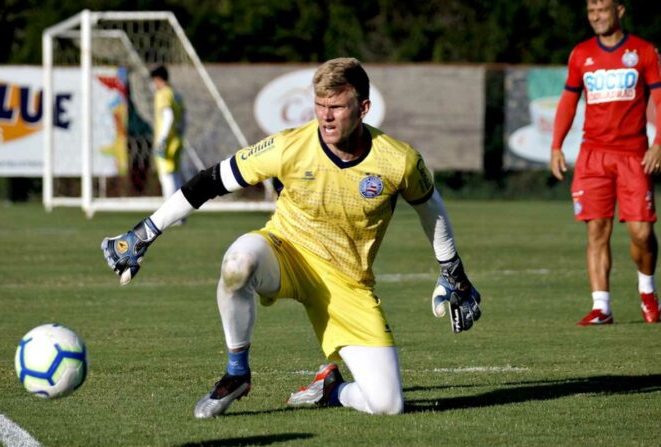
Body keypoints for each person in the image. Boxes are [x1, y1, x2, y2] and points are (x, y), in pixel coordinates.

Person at [101, 58, 481, 417]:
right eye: (319, 105)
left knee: (388, 405)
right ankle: (236, 374)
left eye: (337, 106)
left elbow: (432, 209)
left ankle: (331, 389)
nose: (326, 116)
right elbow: (212, 181)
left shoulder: (398, 160)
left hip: (348, 283)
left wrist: (452, 271)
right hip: (286, 252)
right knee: (238, 264)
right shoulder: (289, 145)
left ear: (363, 108)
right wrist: (146, 231)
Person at [550, 0, 661, 325]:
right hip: (593, 155)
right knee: (596, 230)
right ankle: (602, 307)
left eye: (602, 9)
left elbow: (659, 97)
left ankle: (647, 291)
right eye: (591, 11)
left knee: (642, 232)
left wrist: (659, 143)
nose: (596, 16)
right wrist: (556, 145)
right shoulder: (580, 54)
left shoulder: (644, 51)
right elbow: (569, 100)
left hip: (633, 154)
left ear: (621, 10)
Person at [151, 65, 187, 199]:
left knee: (166, 176)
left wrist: (162, 139)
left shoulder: (163, 94)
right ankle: (181, 213)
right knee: (175, 174)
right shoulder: (176, 95)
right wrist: (180, 134)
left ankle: (171, 212)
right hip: (177, 140)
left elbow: (168, 115)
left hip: (166, 141)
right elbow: (183, 118)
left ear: (158, 79)